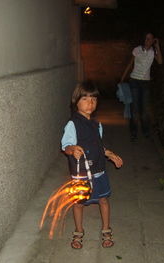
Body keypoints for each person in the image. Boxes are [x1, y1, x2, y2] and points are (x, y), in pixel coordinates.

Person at [61, 82, 123, 249]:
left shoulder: (97, 124)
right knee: (78, 203)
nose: (90, 103)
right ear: (76, 101)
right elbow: (65, 146)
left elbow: (98, 145)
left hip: (99, 170)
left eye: (94, 99)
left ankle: (106, 229)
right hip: (81, 173)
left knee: (103, 199)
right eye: (85, 98)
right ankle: (79, 231)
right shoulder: (73, 124)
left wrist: (109, 154)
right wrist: (72, 148)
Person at [121, 32, 163, 141]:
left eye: (151, 39)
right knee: (134, 110)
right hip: (134, 80)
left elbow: (160, 61)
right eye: (147, 38)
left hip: (145, 82)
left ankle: (146, 132)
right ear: (143, 40)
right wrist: (123, 77)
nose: (148, 41)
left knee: (145, 110)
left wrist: (157, 46)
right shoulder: (137, 50)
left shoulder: (153, 52)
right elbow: (130, 64)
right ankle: (134, 133)